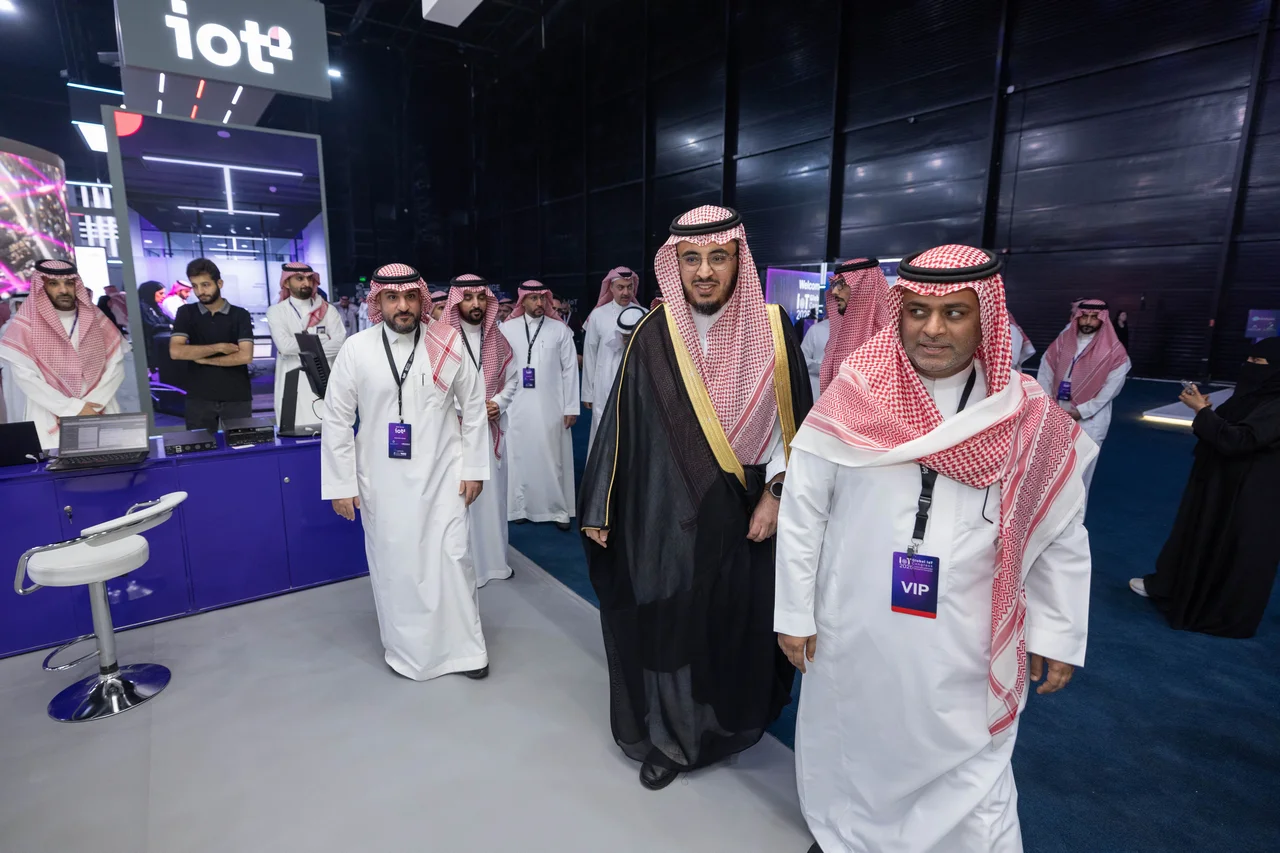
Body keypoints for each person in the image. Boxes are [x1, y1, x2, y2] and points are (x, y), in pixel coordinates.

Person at [775, 245, 1095, 853]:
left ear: (986, 317)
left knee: (973, 765)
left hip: (966, 636)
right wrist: (793, 611)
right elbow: (803, 509)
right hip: (855, 620)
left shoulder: (1024, 413)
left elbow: (1059, 530)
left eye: (954, 313)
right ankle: (848, 837)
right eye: (917, 311)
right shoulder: (855, 393)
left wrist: (1056, 631)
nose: (932, 329)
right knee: (855, 737)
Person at [579, 205, 812, 790]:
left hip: (748, 510)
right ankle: (672, 738)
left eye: (717, 257)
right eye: (691, 259)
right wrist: (601, 506)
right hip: (665, 512)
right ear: (675, 264)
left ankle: (725, 722)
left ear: (738, 260)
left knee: (733, 624)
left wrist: (777, 495)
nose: (704, 271)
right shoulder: (653, 333)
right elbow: (620, 425)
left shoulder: (774, 329)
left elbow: (797, 429)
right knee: (672, 623)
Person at [321, 262, 490, 680]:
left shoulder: (446, 342)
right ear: (377, 302)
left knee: (453, 559)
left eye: (410, 297)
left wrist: (474, 468)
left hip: (444, 475)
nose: (403, 306)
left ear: (421, 299)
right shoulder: (357, 349)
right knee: (397, 567)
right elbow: (337, 420)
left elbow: (473, 408)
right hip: (382, 480)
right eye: (392, 298)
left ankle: (465, 652)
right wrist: (340, 484)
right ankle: (410, 652)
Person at [1132, 337, 1280, 637]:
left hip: (1249, 493)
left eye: (1258, 363)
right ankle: (1173, 589)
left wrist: (1202, 412)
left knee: (1231, 546)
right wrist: (1207, 411)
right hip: (1220, 482)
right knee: (1198, 531)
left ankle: (1212, 612)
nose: (1249, 367)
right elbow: (1227, 427)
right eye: (1249, 360)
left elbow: (1241, 440)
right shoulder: (1252, 395)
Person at [0, 260, 129, 449]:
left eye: (69, 283)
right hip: (49, 414)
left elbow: (116, 367)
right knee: (56, 466)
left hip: (98, 409)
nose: (63, 290)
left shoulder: (97, 320)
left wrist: (89, 407)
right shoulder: (26, 326)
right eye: (54, 284)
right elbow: (25, 377)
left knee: (109, 463)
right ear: (42, 286)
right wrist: (71, 409)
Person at [446, 274, 518, 587]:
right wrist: (469, 410)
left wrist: (498, 403)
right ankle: (463, 570)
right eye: (468, 297)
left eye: (481, 298)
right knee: (458, 501)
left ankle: (494, 565)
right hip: (453, 433)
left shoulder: (498, 339)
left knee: (491, 501)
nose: (476, 304)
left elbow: (512, 379)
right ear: (456, 301)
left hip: (489, 432)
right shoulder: (441, 340)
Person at [499, 282, 580, 531]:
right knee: (518, 456)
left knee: (552, 456)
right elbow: (500, 368)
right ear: (522, 301)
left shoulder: (560, 330)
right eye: (533, 298)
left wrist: (571, 407)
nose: (539, 303)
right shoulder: (507, 329)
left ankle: (557, 510)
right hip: (516, 405)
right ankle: (519, 508)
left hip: (551, 405)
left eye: (542, 298)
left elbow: (570, 370)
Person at [1037, 299, 1130, 492]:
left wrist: (1082, 411)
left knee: (1079, 478)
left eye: (1094, 317)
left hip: (1089, 420)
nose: (1088, 322)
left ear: (1103, 319)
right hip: (1056, 413)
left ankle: (1075, 513)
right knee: (1050, 473)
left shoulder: (1114, 352)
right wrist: (1048, 403)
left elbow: (1111, 388)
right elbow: (1045, 372)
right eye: (1084, 316)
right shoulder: (1062, 343)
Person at [169, 258, 255, 433]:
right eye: (195, 286)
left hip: (237, 395)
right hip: (199, 396)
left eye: (205, 285)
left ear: (219, 283)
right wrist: (219, 348)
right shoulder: (186, 312)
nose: (200, 291)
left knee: (242, 445)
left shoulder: (240, 315)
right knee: (199, 447)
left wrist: (205, 359)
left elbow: (245, 356)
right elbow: (176, 351)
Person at [266, 262, 347, 431]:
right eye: (299, 279)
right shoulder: (276, 311)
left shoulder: (328, 310)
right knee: (294, 431)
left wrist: (305, 344)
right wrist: (323, 338)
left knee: (329, 431)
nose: (306, 283)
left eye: (310, 279)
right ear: (286, 282)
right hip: (292, 380)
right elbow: (285, 346)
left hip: (324, 379)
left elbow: (340, 343)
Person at [815, 258, 892, 397]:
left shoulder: (888, 338)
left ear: (864, 287)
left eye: (842, 284)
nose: (834, 292)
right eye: (834, 284)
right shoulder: (839, 333)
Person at [581, 266, 638, 452]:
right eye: (620, 287)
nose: (625, 292)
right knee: (603, 429)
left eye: (629, 287)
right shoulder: (597, 315)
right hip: (603, 383)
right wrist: (587, 392)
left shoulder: (643, 313)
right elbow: (590, 354)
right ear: (611, 288)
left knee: (631, 430)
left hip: (634, 385)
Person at [0, 293, 28, 422]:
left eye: (24, 303)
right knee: (15, 403)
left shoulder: (38, 326)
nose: (22, 307)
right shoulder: (7, 327)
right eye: (19, 304)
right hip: (12, 373)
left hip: (33, 372)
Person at [136, 281, 173, 368]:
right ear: (150, 293)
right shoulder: (141, 307)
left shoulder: (155, 306)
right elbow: (152, 326)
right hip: (151, 346)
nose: (164, 296)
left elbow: (167, 319)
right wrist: (170, 326)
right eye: (161, 293)